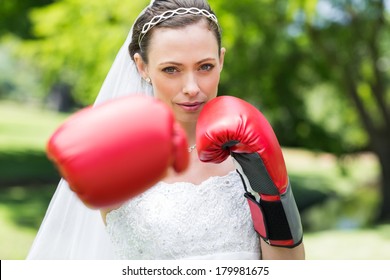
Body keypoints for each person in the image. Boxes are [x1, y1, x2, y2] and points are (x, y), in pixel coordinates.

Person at [27, 0, 305, 260]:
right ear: (142, 67)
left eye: (205, 66)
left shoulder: (250, 149)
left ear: (221, 60)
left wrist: (273, 192)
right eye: (171, 70)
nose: (192, 87)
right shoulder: (120, 157)